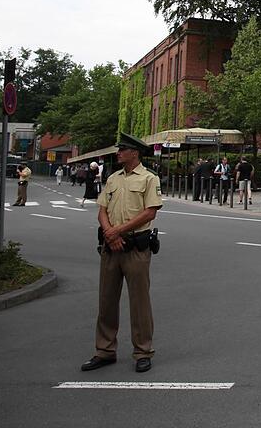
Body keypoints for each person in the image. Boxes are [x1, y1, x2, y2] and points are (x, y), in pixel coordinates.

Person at [80, 133, 162, 374]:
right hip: (110, 247)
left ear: (134, 153)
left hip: (135, 247)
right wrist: (109, 233)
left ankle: (143, 351)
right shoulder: (113, 178)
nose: (118, 153)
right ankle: (104, 350)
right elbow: (102, 209)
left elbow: (150, 213)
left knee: (139, 303)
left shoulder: (149, 178)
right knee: (106, 301)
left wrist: (117, 232)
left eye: (123, 149)